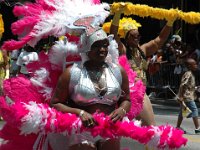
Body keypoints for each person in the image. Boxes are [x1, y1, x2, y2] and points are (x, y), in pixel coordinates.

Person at [50, 28, 131, 150]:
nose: (102, 49)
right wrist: (80, 113)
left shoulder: (117, 71)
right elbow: (55, 103)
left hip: (110, 129)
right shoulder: (72, 73)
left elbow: (127, 100)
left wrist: (122, 110)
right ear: (86, 47)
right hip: (81, 131)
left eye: (105, 45)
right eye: (96, 46)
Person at [109, 5, 177, 126]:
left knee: (147, 130)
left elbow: (160, 39)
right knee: (151, 128)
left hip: (141, 92)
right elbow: (113, 36)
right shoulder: (123, 50)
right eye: (133, 36)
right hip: (131, 93)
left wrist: (170, 22)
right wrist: (118, 14)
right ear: (126, 38)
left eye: (138, 36)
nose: (137, 39)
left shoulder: (143, 49)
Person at [176, 58, 200, 134]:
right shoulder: (188, 73)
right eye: (194, 64)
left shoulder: (191, 73)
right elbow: (183, 85)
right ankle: (197, 128)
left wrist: (196, 88)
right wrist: (182, 96)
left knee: (182, 112)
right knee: (194, 110)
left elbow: (189, 86)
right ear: (189, 66)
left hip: (187, 96)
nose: (196, 65)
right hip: (187, 96)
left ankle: (178, 127)